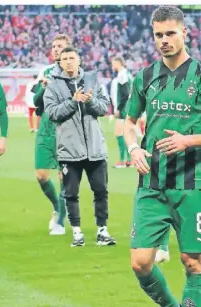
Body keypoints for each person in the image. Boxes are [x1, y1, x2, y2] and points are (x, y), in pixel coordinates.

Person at [124, 6, 201, 307]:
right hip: (151, 182)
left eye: (170, 33)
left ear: (185, 32)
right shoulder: (144, 77)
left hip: (191, 183)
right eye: (158, 34)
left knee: (192, 262)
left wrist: (189, 140)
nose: (164, 40)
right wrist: (133, 148)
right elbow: (129, 124)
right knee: (140, 263)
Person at [43, 46, 116, 247]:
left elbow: (104, 108)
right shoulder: (53, 87)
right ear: (60, 62)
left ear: (79, 60)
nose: (68, 61)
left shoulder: (92, 81)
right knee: (71, 193)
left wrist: (91, 100)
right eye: (64, 58)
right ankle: (76, 232)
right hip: (69, 150)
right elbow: (52, 113)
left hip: (95, 149)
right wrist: (72, 102)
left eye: (71, 58)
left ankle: (102, 230)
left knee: (101, 190)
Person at [32, 34, 71, 235]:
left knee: (64, 177)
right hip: (46, 129)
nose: (56, 49)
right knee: (41, 175)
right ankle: (57, 206)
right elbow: (35, 102)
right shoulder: (44, 72)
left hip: (66, 130)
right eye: (54, 46)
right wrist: (43, 87)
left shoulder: (76, 73)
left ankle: (60, 222)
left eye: (60, 46)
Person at [110, 55, 134, 168]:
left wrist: (118, 109)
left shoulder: (122, 75)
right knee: (126, 133)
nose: (112, 66)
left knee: (120, 133)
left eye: (113, 63)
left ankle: (123, 160)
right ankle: (128, 160)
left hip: (124, 109)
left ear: (119, 63)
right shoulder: (127, 74)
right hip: (128, 108)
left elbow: (124, 94)